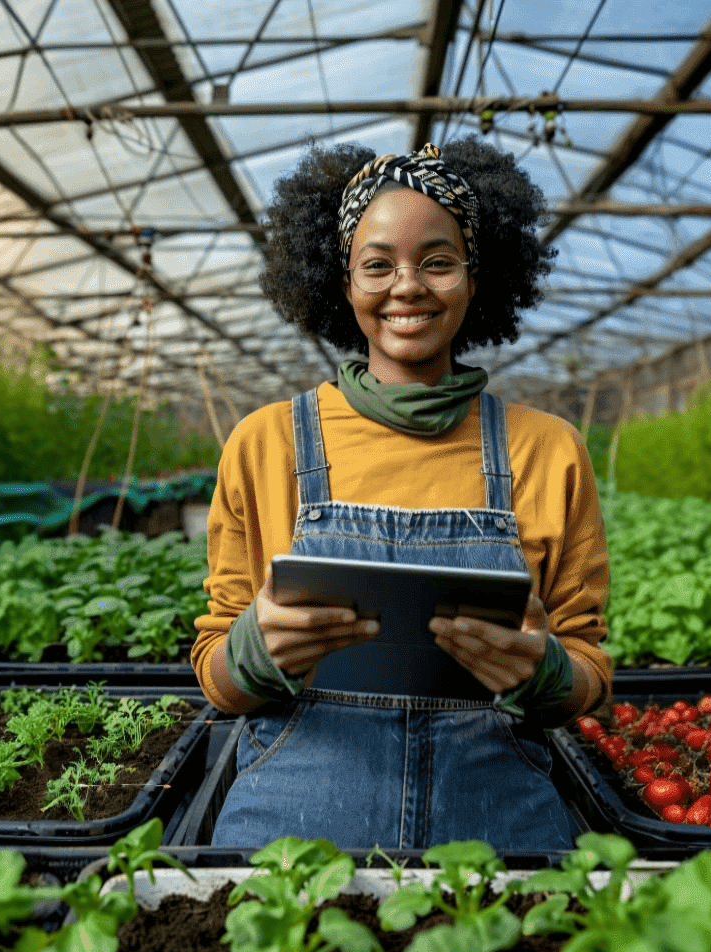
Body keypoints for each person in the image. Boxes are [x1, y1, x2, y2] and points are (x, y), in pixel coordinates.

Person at [190, 137, 612, 851]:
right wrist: (255, 649)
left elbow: (588, 669)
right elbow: (217, 678)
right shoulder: (269, 444)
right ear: (341, 282)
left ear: (478, 279)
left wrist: (542, 671)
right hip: (296, 827)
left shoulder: (547, 449)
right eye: (377, 264)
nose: (407, 285)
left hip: (498, 820)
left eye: (438, 261)